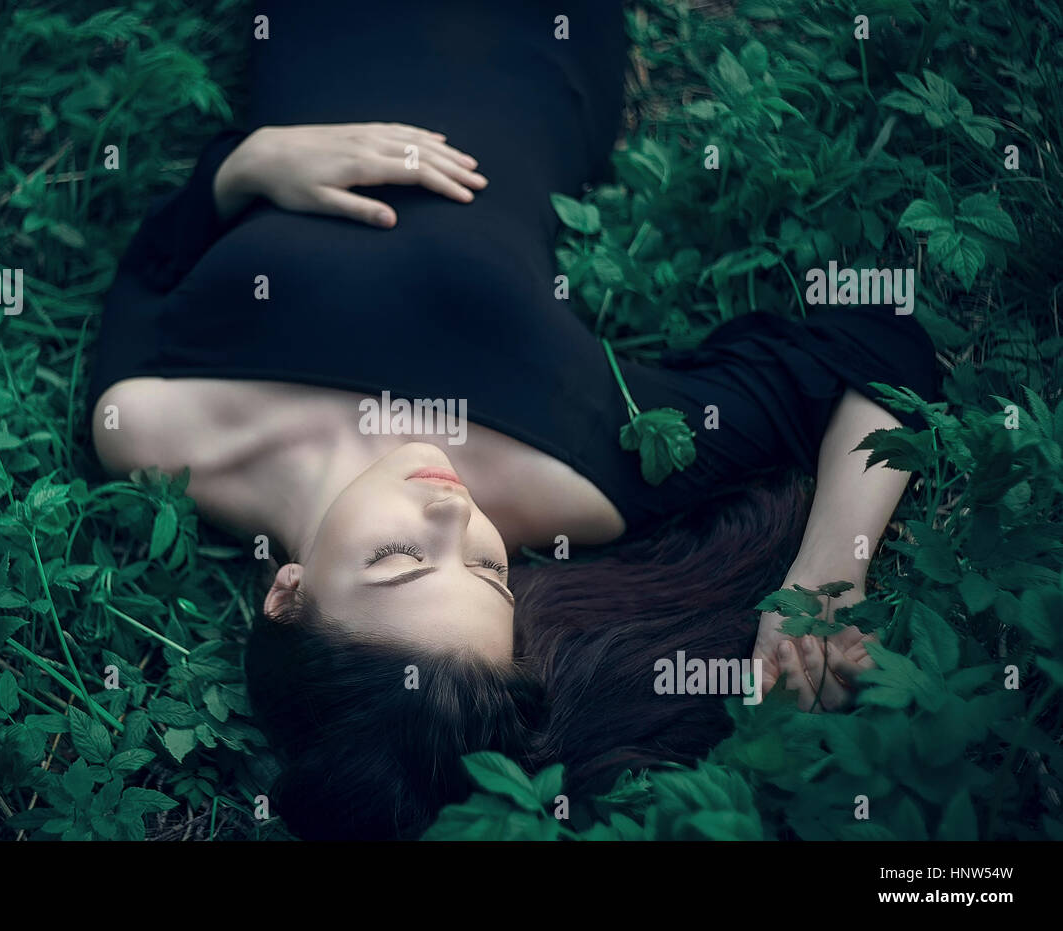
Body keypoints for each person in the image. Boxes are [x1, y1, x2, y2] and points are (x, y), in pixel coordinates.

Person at [84, 1, 938, 839]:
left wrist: (246, 166)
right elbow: (875, 347)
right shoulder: (577, 474)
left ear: (288, 593)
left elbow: (150, 268)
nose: (457, 514)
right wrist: (827, 578)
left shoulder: (151, 432)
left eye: (400, 558)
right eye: (489, 572)